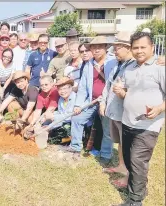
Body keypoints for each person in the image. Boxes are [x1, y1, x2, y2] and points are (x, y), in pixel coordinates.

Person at [115, 32, 165, 206]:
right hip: (128, 121)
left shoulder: (161, 68)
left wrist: (159, 108)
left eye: (143, 47)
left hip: (148, 125)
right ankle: (139, 188)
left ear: (152, 47)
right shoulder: (130, 68)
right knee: (129, 160)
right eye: (135, 47)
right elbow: (129, 92)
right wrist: (121, 93)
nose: (139, 51)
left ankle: (135, 202)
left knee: (137, 161)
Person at [62, 36, 117, 163]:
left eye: (99, 47)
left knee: (107, 128)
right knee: (77, 118)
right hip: (91, 101)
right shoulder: (89, 65)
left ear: (105, 48)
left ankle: (105, 154)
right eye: (94, 47)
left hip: (107, 102)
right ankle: (75, 147)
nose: (96, 50)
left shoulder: (112, 62)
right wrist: (78, 105)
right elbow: (82, 87)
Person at [99, 31, 134, 189]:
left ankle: (129, 177)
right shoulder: (118, 64)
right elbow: (108, 84)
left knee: (129, 146)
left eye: (117, 47)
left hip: (125, 113)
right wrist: (102, 102)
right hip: (114, 111)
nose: (115, 51)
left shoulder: (134, 67)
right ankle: (121, 166)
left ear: (127, 47)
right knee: (120, 142)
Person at [27, 77, 76, 145]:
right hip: (62, 121)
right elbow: (59, 114)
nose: (62, 91)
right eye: (60, 89)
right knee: (50, 133)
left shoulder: (75, 99)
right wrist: (48, 126)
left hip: (72, 123)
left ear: (71, 88)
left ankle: (72, 138)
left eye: (65, 89)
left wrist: (52, 118)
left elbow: (69, 117)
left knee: (56, 136)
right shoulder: (61, 99)